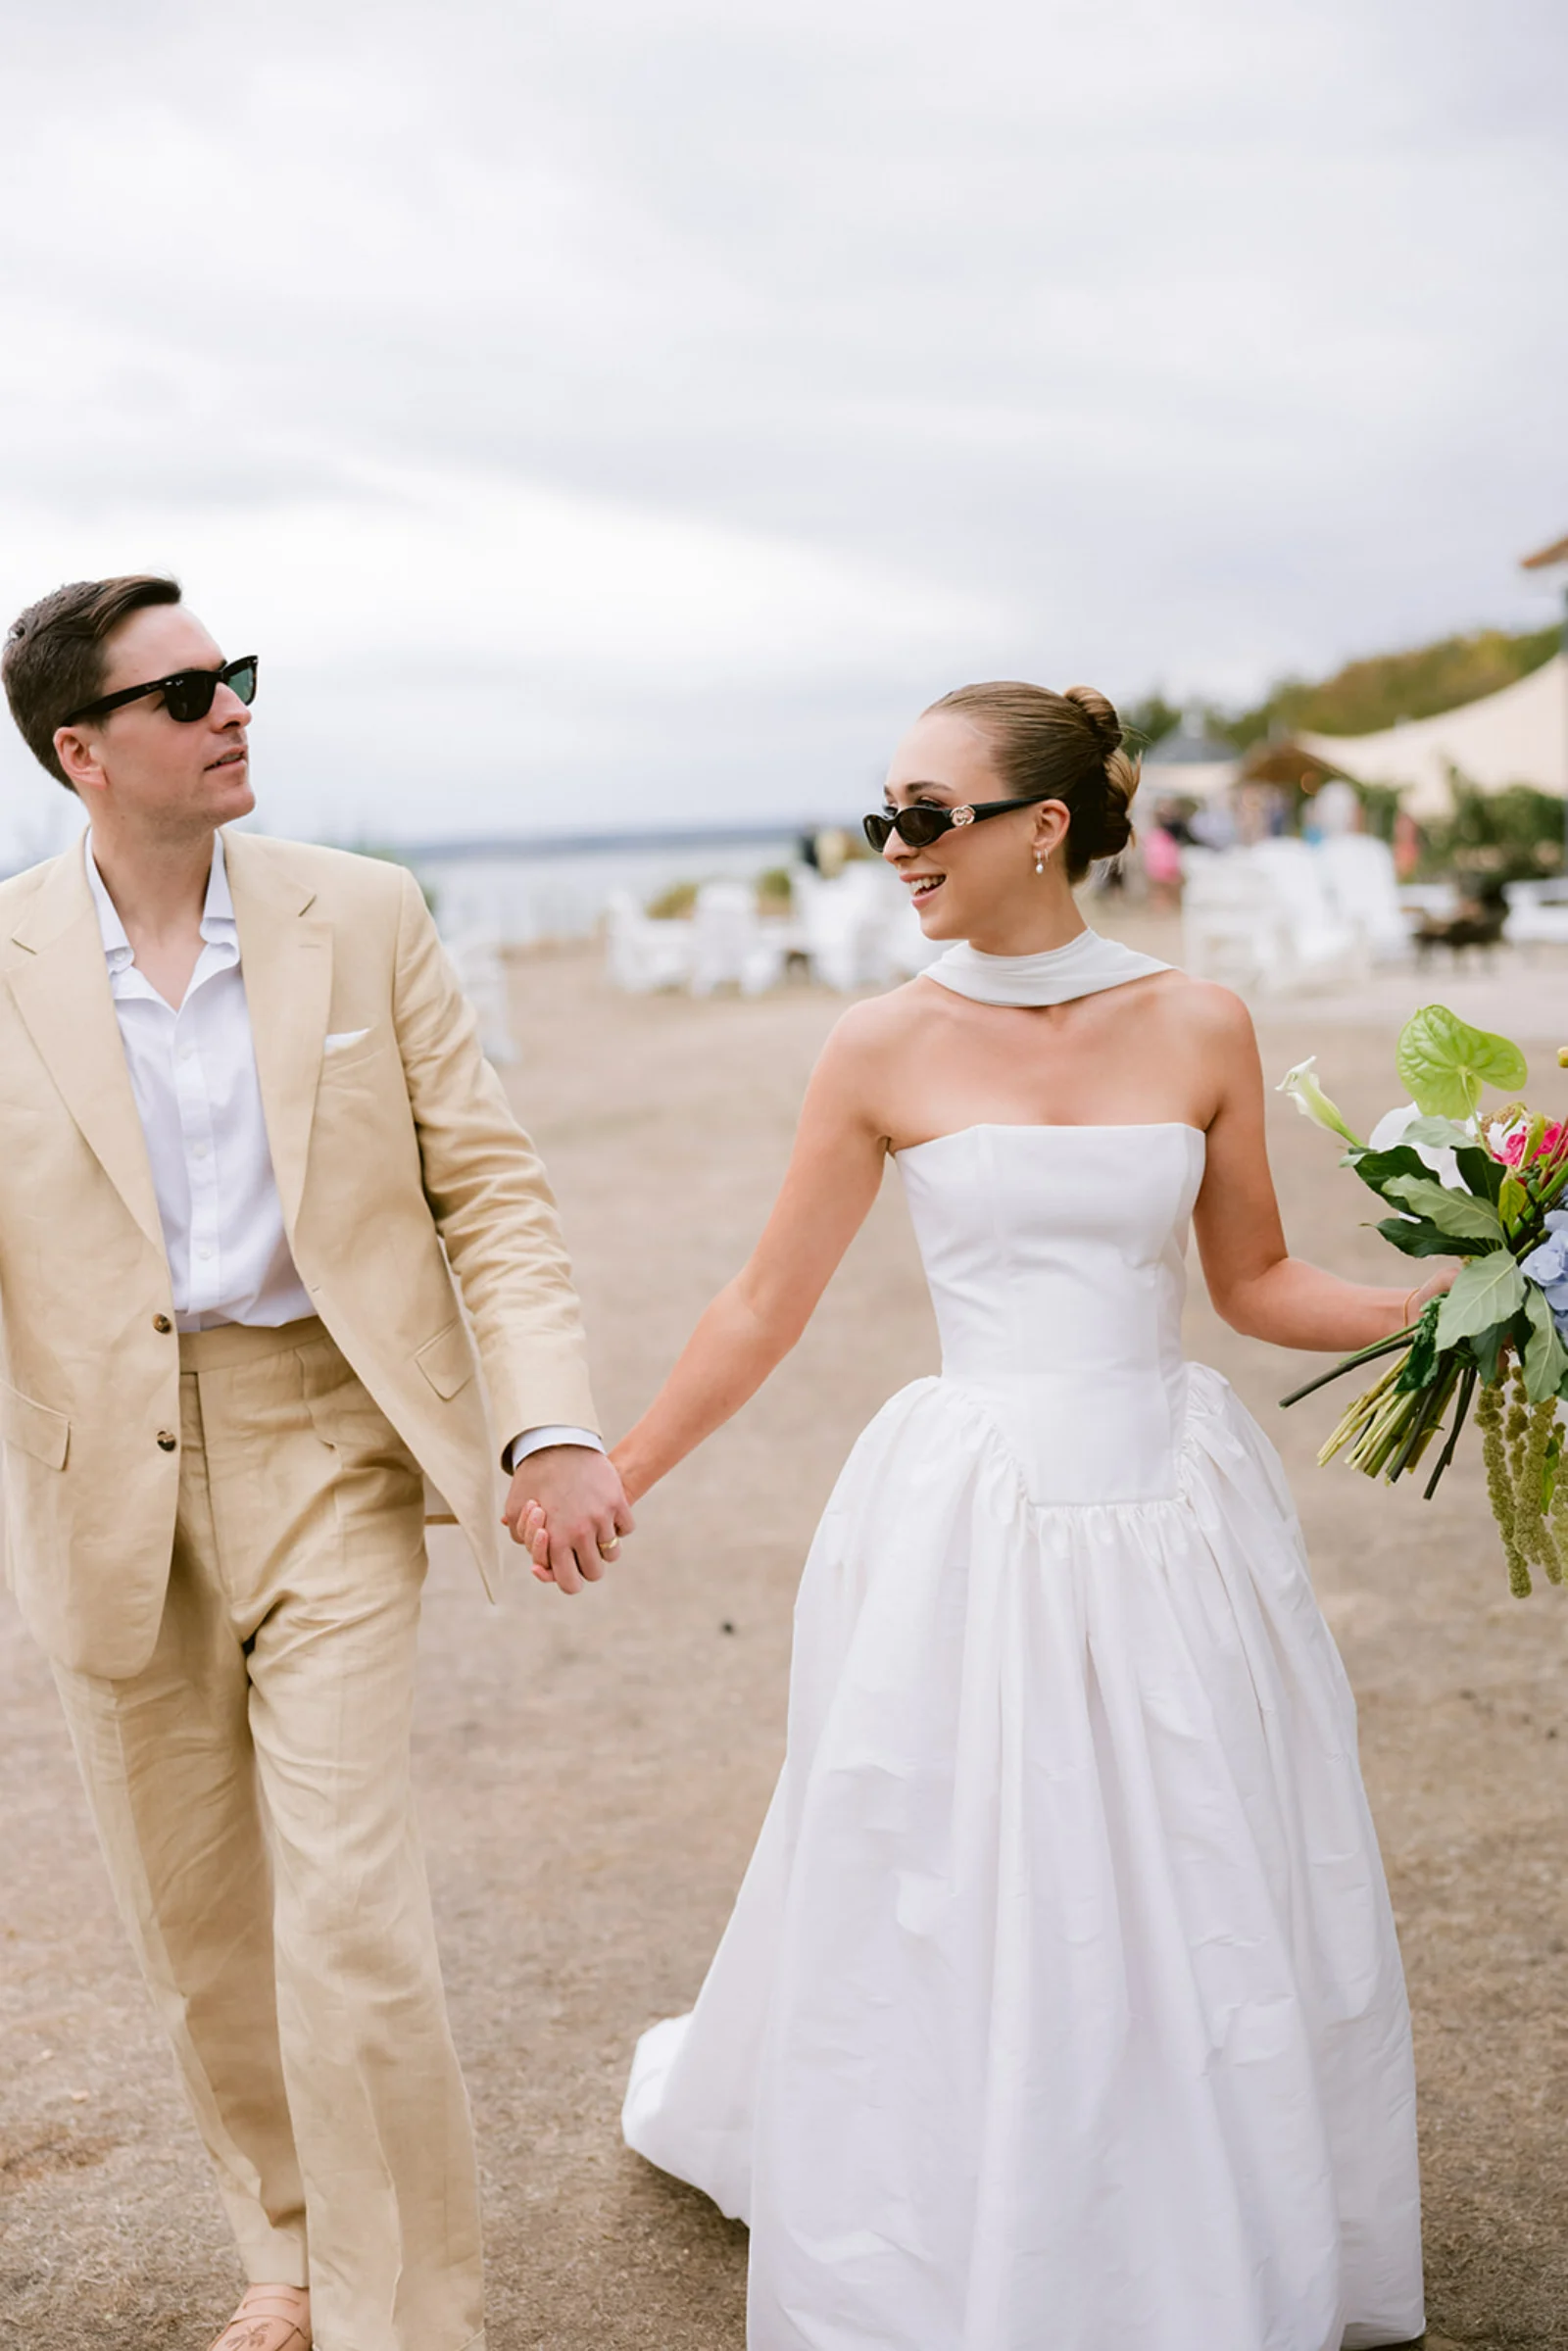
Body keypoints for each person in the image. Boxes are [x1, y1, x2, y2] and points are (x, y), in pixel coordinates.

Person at [526, 681, 1433, 2350]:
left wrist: (1458, 1309)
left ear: (1045, 824)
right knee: (955, 1873)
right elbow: (757, 1303)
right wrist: (618, 1463)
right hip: (978, 1519)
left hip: (1170, 1501)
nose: (897, 849)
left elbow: (1255, 1281)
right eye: (884, 815)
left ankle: (1193, 2208)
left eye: (927, 814)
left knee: (1201, 1861)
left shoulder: (1203, 1020)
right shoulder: (880, 1040)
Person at [0, 576, 632, 2351]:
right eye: (187, 690)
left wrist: (550, 1419)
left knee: (349, 1910)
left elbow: (488, 1187)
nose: (233, 709)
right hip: (97, 1483)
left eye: (237, 675)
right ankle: (282, 2250)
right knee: (198, 1924)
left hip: (329, 1443)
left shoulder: (365, 914)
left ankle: (403, 2318)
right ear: (82, 752)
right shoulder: (4, 963)